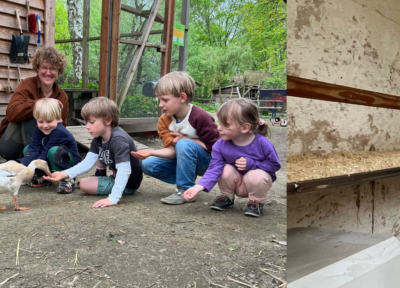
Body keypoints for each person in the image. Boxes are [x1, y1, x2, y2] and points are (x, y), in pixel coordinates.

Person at [181, 99, 281, 217]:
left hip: (256, 183)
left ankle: (256, 202)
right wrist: (197, 187)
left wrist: (252, 164)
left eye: (225, 124)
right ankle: (226, 196)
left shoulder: (262, 143)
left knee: (256, 175)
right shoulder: (220, 145)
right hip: (235, 182)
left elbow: (274, 165)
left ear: (244, 128)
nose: (218, 128)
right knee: (224, 168)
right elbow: (214, 168)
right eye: (219, 123)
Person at [131, 71, 220, 205]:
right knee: (147, 164)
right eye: (158, 99)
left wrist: (188, 140)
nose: (160, 104)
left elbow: (218, 149)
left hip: (209, 164)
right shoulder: (164, 121)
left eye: (165, 100)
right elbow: (172, 151)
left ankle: (184, 189)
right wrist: (151, 152)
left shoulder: (201, 117)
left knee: (183, 143)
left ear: (182, 97)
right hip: (184, 161)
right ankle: (185, 177)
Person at [45, 97, 143, 208]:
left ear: (107, 120)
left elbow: (125, 170)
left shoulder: (118, 139)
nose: (87, 126)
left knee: (83, 184)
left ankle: (111, 185)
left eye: (91, 122)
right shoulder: (98, 139)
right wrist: (64, 173)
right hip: (115, 176)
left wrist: (113, 198)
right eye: (86, 122)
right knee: (98, 160)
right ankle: (101, 178)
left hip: (128, 184)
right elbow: (87, 162)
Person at [0, 47, 69, 161]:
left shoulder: (62, 96)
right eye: (44, 67)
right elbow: (11, 113)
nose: (48, 73)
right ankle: (33, 160)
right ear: (37, 69)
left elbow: (62, 127)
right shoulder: (26, 85)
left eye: (53, 68)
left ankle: (43, 161)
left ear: (59, 71)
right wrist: (39, 104)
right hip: (11, 146)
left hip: (45, 146)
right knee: (37, 115)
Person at [18, 98, 81, 193]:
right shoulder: (37, 130)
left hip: (68, 163)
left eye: (49, 121)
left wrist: (29, 165)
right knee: (28, 149)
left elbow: (46, 151)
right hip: (49, 159)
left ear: (59, 119)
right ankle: (41, 177)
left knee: (54, 151)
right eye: (41, 121)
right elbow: (35, 148)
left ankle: (67, 179)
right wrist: (22, 165)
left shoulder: (59, 132)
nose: (45, 126)